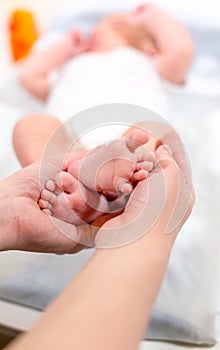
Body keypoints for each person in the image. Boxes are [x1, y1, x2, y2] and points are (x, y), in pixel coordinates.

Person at [0, 138, 194, 350]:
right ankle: (75, 183)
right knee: (36, 127)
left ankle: (79, 189)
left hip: (110, 170)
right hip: (84, 153)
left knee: (150, 139)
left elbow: (162, 141)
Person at [18, 3, 194, 119]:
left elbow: (181, 50)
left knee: (155, 137)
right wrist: (64, 49)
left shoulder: (150, 65)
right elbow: (29, 76)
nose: (96, 30)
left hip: (132, 143)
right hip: (68, 149)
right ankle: (42, 170)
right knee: (30, 126)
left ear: (151, 49)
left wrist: (152, 16)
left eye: (116, 27)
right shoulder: (71, 68)